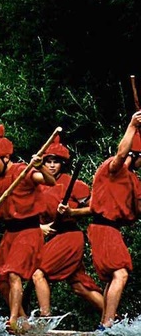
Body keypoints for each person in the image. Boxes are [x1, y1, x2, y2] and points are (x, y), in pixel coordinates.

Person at [0, 124, 54, 330]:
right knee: (1, 279)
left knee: (13, 273)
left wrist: (40, 166)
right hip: (10, 233)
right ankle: (23, 321)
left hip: (29, 231)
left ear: (5, 158)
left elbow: (49, 181)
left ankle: (12, 320)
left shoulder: (23, 171)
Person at [30, 136, 103, 318]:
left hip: (70, 236)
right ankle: (114, 318)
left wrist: (72, 212)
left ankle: (44, 318)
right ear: (43, 163)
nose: (52, 166)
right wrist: (40, 227)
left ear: (62, 164)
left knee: (38, 273)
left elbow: (96, 208)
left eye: (56, 162)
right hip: (54, 237)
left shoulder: (74, 185)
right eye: (48, 162)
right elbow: (27, 216)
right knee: (79, 287)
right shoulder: (36, 186)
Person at [88, 110, 141, 329]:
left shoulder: (132, 180)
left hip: (108, 229)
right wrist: (132, 125)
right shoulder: (113, 168)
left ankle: (103, 323)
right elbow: (120, 154)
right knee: (120, 273)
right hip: (103, 227)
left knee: (113, 276)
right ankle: (108, 325)